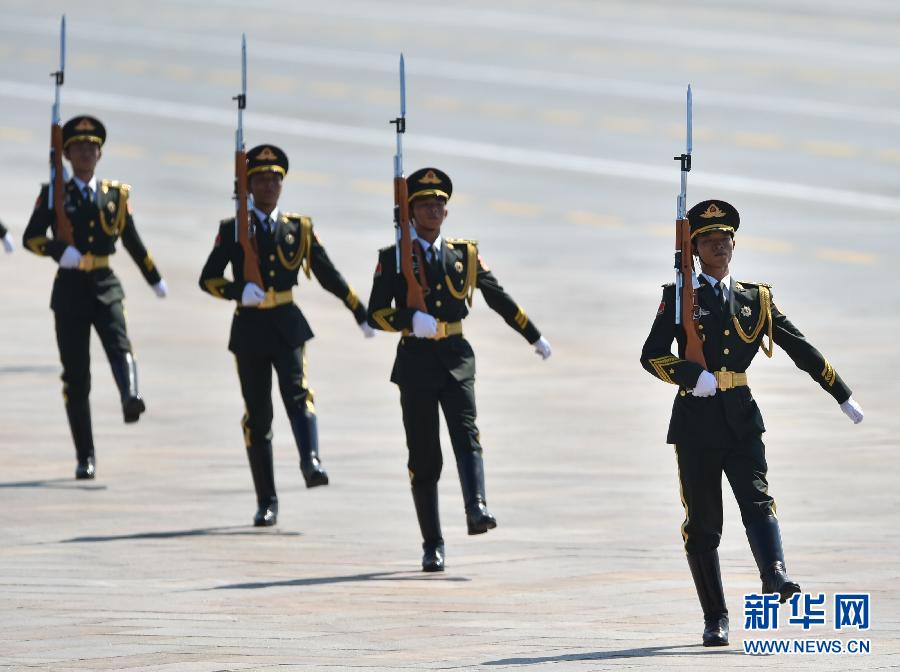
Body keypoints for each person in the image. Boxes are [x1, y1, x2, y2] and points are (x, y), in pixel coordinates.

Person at [640, 199, 864, 647]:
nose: (718, 244)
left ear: (735, 243)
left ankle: (775, 574)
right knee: (703, 524)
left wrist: (840, 392)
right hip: (696, 423)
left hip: (741, 417)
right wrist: (690, 376)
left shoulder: (754, 300)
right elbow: (651, 355)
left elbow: (799, 346)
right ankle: (715, 616)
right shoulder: (679, 295)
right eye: (707, 239)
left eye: (724, 238)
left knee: (758, 498)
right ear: (695, 249)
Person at [367, 167, 552, 572]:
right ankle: (432, 543)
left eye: (439, 203)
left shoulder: (464, 255)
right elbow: (375, 313)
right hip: (415, 360)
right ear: (410, 210)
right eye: (425, 203)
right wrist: (407, 321)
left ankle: (477, 506)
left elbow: (497, 297)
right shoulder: (392, 257)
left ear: (447, 212)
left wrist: (533, 336)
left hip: (455, 358)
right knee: (424, 455)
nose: (433, 209)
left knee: (467, 434)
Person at [199, 144, 374, 527]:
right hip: (249, 326)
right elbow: (207, 279)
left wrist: (358, 309)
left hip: (287, 321)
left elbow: (327, 273)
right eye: (260, 178)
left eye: (275, 178)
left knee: (298, 393)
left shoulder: (298, 229)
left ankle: (311, 461)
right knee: (258, 414)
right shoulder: (233, 229)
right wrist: (236, 291)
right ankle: (267, 500)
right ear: (247, 185)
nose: (269, 185)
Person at [23, 115, 167, 480]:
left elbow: (132, 241)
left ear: (100, 154)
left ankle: (130, 396)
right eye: (79, 147)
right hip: (70, 287)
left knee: (120, 343)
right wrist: (58, 250)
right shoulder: (54, 194)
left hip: (104, 282)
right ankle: (85, 455)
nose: (86, 152)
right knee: (76, 376)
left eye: (92, 147)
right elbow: (31, 237)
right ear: (67, 154)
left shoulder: (115, 197)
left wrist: (154, 277)